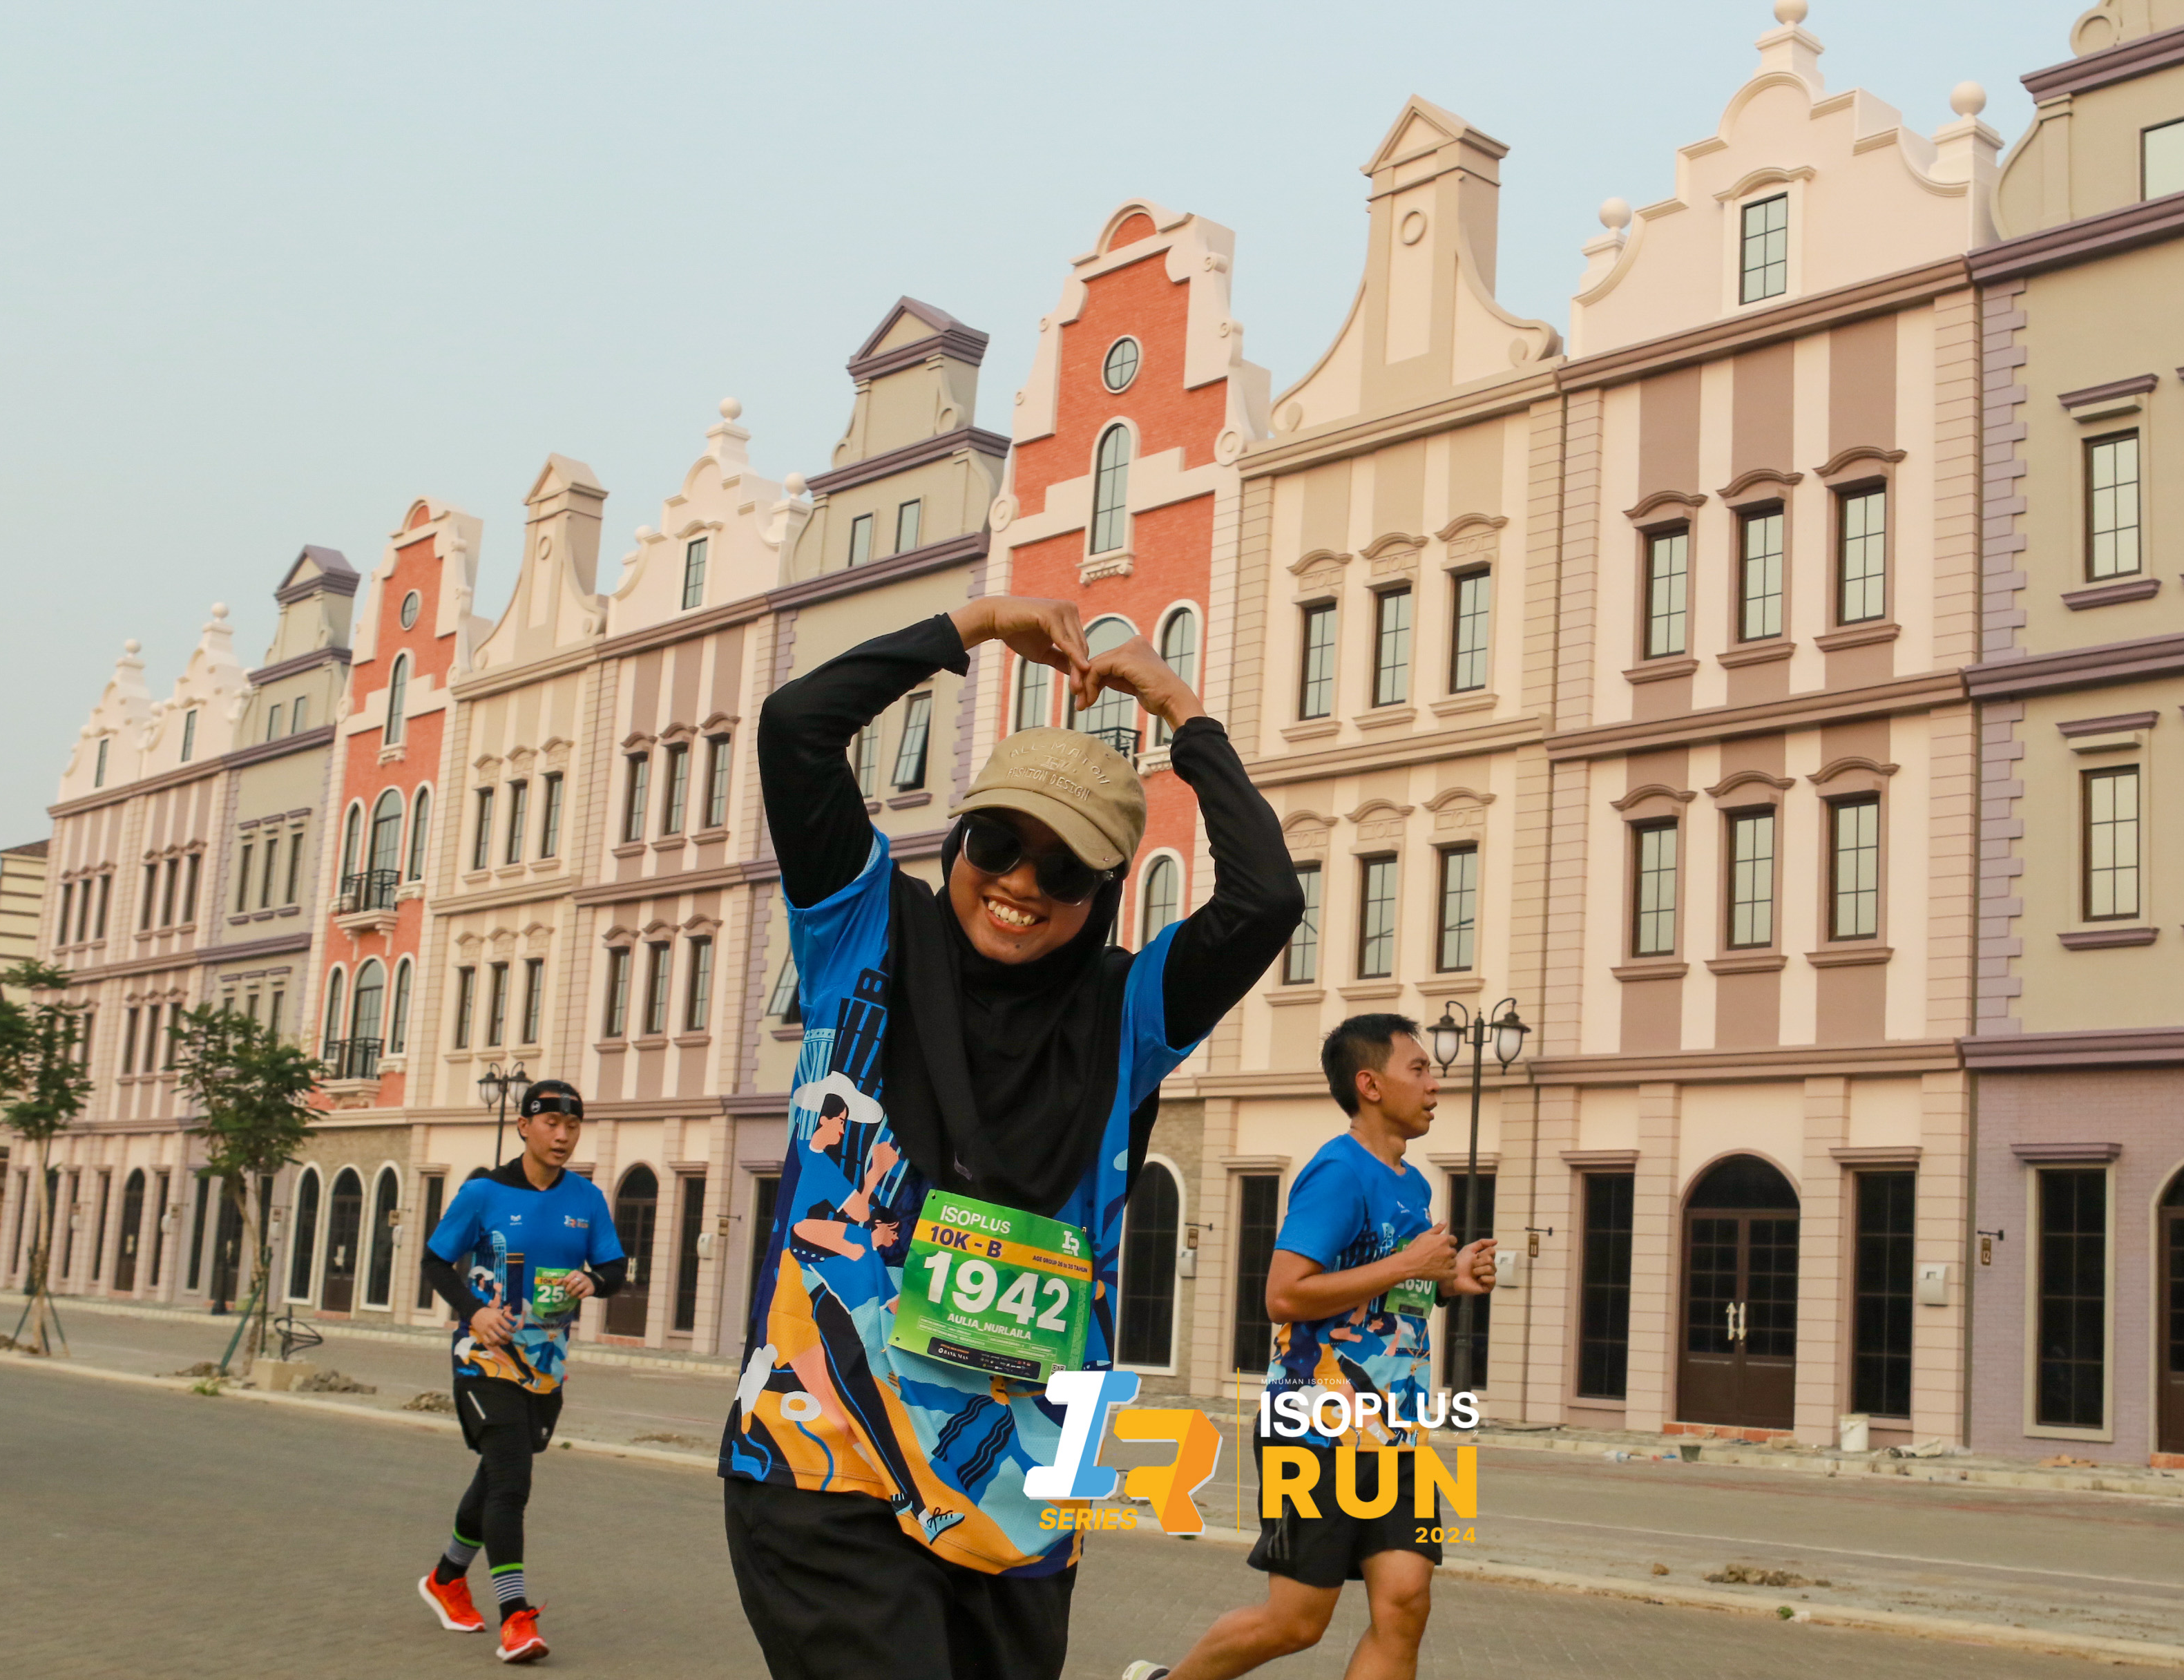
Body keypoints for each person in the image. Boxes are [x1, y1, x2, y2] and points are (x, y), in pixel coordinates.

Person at [718, 598, 1303, 1680]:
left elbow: (1266, 898)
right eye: (998, 844)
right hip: (826, 1454)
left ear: (1107, 891)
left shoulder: (1132, 1013)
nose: (1022, 885)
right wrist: (980, 624)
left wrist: (1176, 703)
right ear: (960, 840)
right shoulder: (861, 927)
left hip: (1031, 1479)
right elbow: (797, 725)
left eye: (1065, 868)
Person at [1127, 1014, 1497, 1680]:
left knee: (1406, 1602)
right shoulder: (1337, 1173)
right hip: (1315, 1429)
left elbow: (1383, 1291)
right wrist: (1408, 1265)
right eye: (1418, 1069)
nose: (1434, 1084)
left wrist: (1446, 1282)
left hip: (1393, 1432)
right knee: (1296, 1622)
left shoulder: (1411, 1183)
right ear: (1371, 1085)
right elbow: (1285, 1295)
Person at [414, 1079, 626, 1665]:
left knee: (496, 1476)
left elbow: (615, 1267)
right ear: (524, 1127)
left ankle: (446, 1579)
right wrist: (475, 1312)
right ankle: (516, 1616)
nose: (563, 1136)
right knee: (511, 1481)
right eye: (552, 1124)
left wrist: (594, 1280)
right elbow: (436, 1261)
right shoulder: (482, 1192)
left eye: (572, 1127)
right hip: (483, 1358)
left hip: (546, 1365)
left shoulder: (586, 1199)